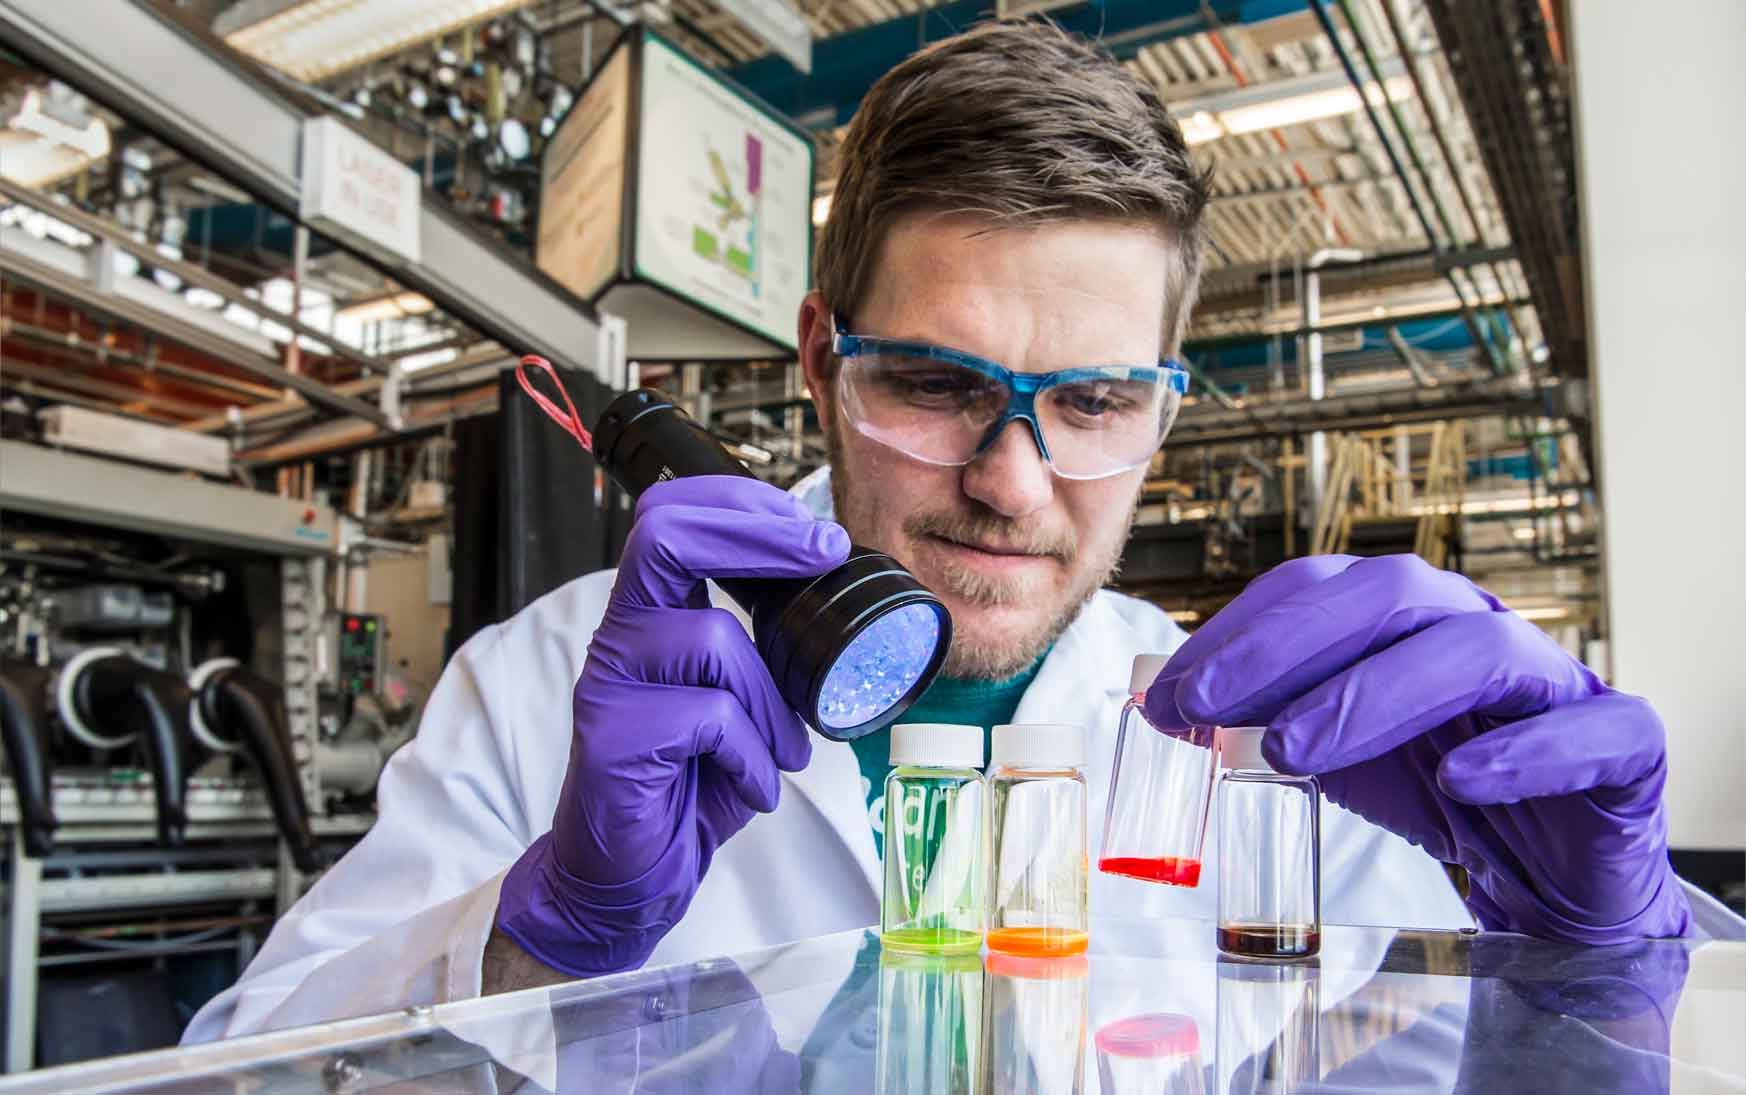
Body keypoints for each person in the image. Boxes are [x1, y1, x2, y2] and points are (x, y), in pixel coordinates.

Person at [186, 20, 1732, 1042]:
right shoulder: (553, 688)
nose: (1010, 479)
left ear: (1163, 414)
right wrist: (535, 940)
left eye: (1094, 402)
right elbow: (244, 1071)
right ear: (815, 361)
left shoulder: (1295, 748)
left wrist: (1600, 956)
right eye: (933, 384)